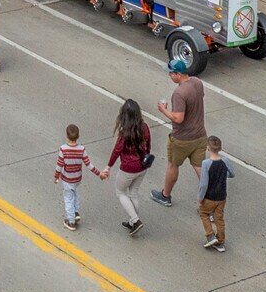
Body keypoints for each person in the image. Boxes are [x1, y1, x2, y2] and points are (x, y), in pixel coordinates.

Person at [150, 57, 207, 207]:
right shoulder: (197, 82)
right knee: (200, 168)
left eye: (171, 73)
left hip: (182, 138)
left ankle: (165, 195)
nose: (169, 76)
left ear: (178, 74)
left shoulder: (179, 93)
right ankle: (208, 201)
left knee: (173, 166)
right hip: (200, 134)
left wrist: (163, 110)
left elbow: (178, 118)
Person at [104, 98, 151, 235]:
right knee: (134, 192)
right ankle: (132, 222)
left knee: (120, 192)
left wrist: (109, 166)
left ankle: (135, 220)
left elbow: (117, 151)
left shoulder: (125, 132)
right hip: (142, 166)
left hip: (128, 168)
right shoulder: (145, 127)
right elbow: (148, 147)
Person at [196, 135, 234, 253]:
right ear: (220, 148)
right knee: (219, 218)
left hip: (209, 196)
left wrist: (200, 197)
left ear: (208, 148)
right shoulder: (225, 161)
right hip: (222, 196)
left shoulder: (206, 163)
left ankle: (210, 235)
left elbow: (203, 184)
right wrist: (222, 177)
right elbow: (232, 173)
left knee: (203, 213)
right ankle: (221, 242)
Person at [54, 124, 95, 231]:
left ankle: (71, 222)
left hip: (67, 179)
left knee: (68, 199)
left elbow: (59, 165)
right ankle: (76, 212)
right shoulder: (81, 149)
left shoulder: (63, 149)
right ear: (78, 135)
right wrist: (99, 173)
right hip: (77, 178)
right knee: (75, 194)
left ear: (66, 135)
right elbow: (88, 164)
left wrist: (56, 177)